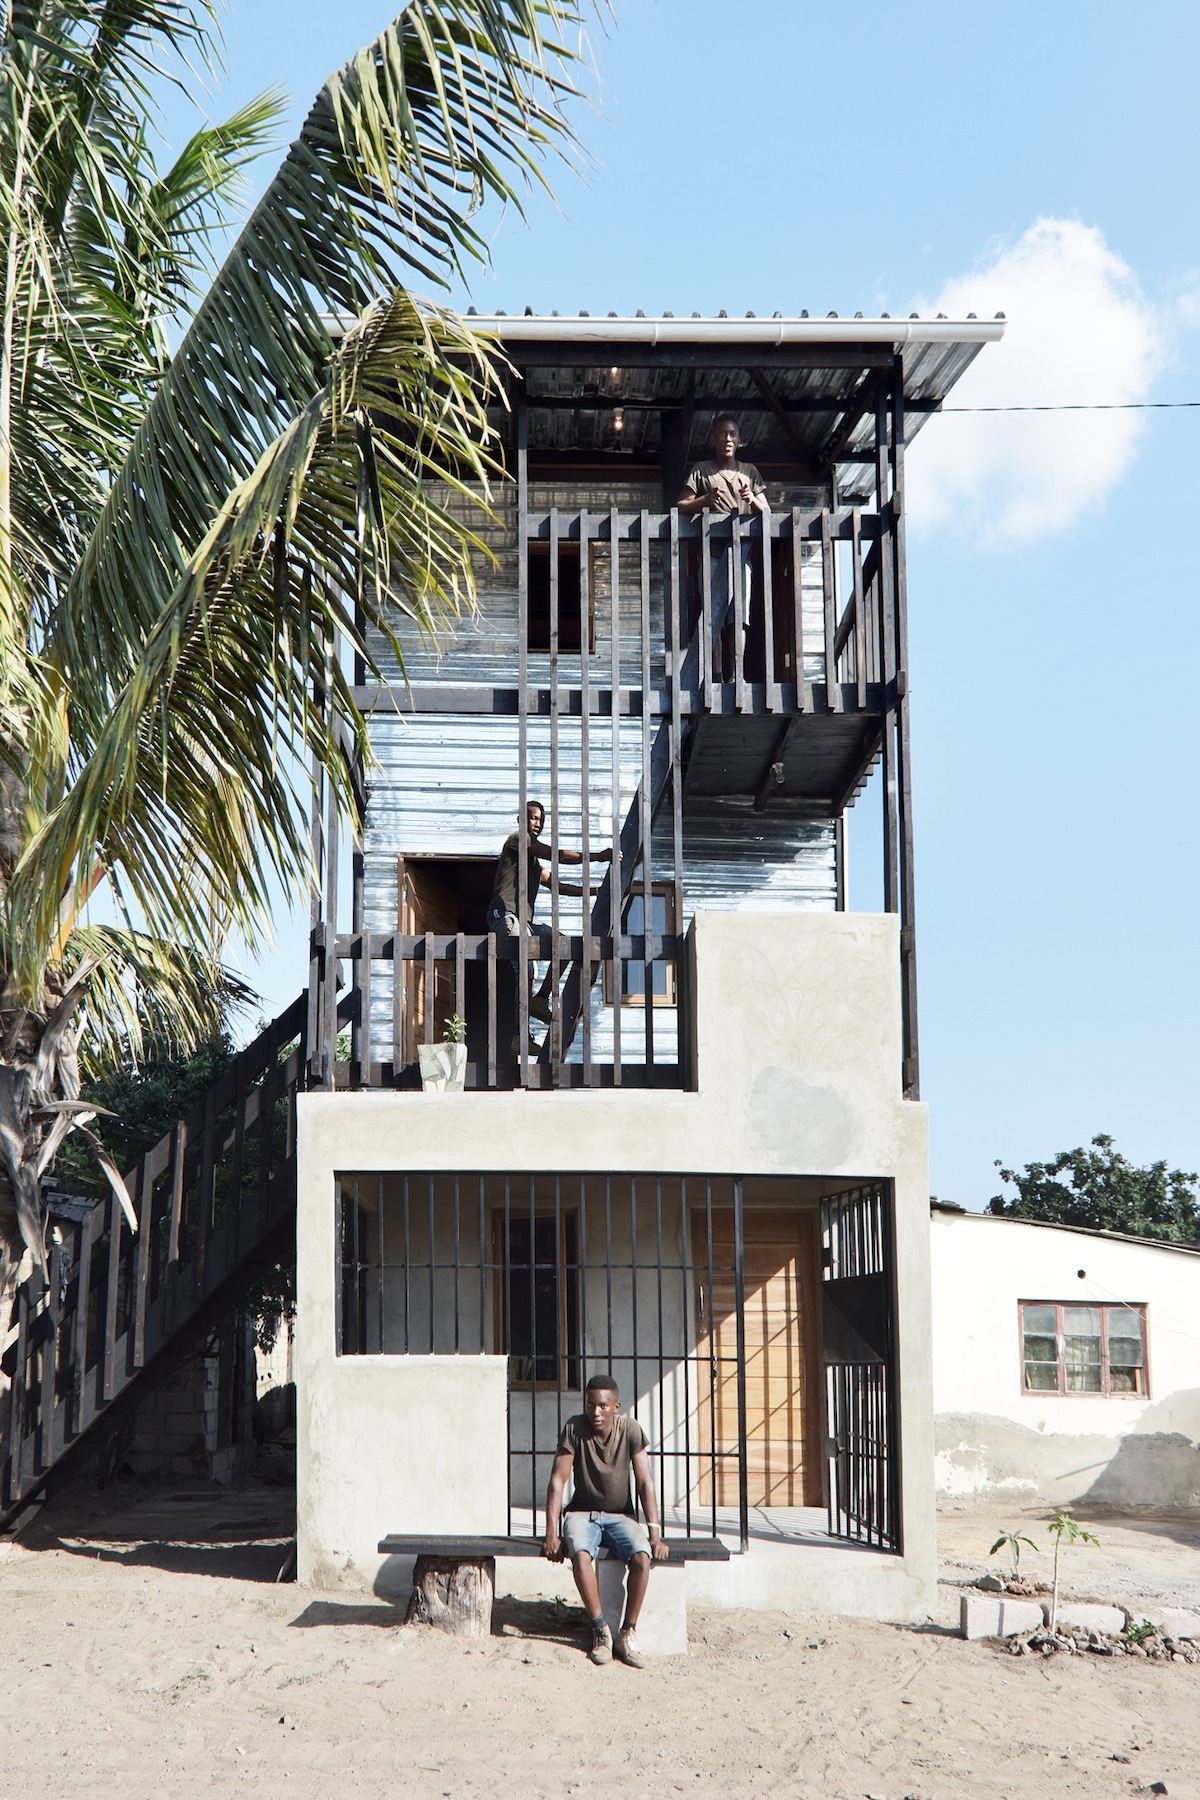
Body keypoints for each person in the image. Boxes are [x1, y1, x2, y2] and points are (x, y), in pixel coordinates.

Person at [543, 1372, 669, 1669]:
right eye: (590, 1405)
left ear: (616, 1406)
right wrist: (552, 1533)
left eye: (602, 1405)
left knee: (641, 1557)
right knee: (580, 1553)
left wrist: (655, 1533)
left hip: (620, 1516)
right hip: (581, 1514)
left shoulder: (631, 1430)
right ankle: (601, 1631)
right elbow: (557, 1481)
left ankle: (627, 1634)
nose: (595, 1412)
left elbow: (645, 1482)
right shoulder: (574, 1428)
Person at [486, 802, 613, 1049]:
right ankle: (519, 1037)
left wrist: (597, 891)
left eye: (540, 821)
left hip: (525, 922)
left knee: (563, 945)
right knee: (527, 970)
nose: (537, 824)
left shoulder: (533, 863)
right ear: (521, 819)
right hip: (505, 916)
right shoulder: (517, 839)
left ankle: (540, 1000)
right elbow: (558, 855)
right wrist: (598, 856)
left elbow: (558, 885)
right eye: (533, 818)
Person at [677, 415, 769, 676]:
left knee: (739, 618)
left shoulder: (749, 472)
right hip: (711, 555)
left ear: (739, 440)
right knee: (712, 616)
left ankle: (735, 676)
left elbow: (767, 512)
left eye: (732, 434)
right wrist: (705, 500)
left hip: (741, 555)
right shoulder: (702, 470)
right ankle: (716, 676)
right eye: (722, 434)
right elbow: (681, 505)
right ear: (714, 438)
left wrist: (752, 498)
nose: (727, 439)